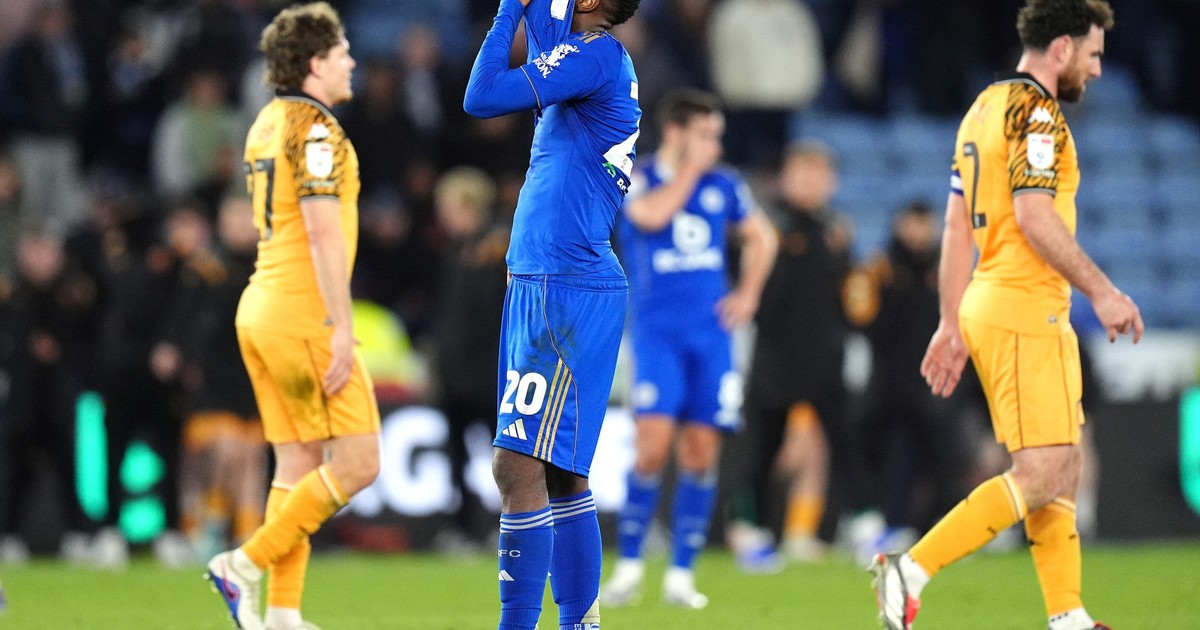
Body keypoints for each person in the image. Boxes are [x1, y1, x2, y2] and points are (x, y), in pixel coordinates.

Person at [870, 2, 1143, 629]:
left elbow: (955, 225)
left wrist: (950, 321)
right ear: (1062, 48)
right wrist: (1103, 291)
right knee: (1042, 470)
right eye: (1093, 55)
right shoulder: (1036, 114)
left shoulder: (984, 108)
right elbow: (1035, 216)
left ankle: (1068, 615)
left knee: (1062, 465)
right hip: (1023, 307)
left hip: (1004, 303)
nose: (1097, 70)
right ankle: (910, 570)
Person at [203, 5, 381, 630]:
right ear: (315, 63)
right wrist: (343, 327)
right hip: (303, 313)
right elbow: (322, 231)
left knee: (297, 464)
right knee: (359, 463)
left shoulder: (266, 121)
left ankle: (281, 612)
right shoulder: (315, 130)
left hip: (261, 308)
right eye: (341, 52)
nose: (351, 61)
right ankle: (243, 565)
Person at [464, 0, 641, 624]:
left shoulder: (593, 56)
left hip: (563, 284)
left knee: (517, 464)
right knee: (562, 472)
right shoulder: (591, 57)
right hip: (553, 280)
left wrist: (507, 10)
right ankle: (581, 622)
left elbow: (482, 97)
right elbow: (548, 26)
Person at [599, 89, 776, 609]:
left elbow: (763, 238)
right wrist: (690, 172)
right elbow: (650, 218)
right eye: (704, 133)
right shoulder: (638, 176)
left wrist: (748, 294)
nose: (714, 144)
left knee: (701, 452)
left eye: (716, 135)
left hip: (712, 337)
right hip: (657, 335)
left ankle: (681, 574)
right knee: (652, 448)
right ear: (675, 132)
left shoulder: (726, 184)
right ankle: (630, 568)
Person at [730, 141, 863, 568]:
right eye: (801, 173)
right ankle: (753, 530)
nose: (809, 182)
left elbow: (850, 298)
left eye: (817, 174)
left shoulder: (837, 231)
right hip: (775, 355)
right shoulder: (766, 226)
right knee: (763, 449)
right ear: (785, 178)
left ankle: (848, 526)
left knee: (844, 444)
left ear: (831, 182)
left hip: (825, 356)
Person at [845, 201, 972, 561]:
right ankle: (892, 526)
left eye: (925, 224)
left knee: (946, 460)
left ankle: (945, 528)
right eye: (913, 223)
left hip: (937, 385)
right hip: (891, 385)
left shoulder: (945, 267)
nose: (919, 232)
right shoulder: (881, 268)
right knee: (896, 461)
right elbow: (861, 318)